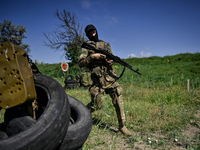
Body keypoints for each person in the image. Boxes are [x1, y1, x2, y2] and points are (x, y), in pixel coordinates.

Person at [78, 24, 131, 136]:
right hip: (97, 79)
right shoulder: (87, 46)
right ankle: (79, 114)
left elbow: (112, 57)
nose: (93, 33)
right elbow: (81, 63)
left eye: (94, 30)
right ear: (87, 34)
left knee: (118, 99)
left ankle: (122, 126)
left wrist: (110, 62)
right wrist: (92, 57)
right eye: (90, 32)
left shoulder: (106, 44)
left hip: (109, 77)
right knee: (96, 105)